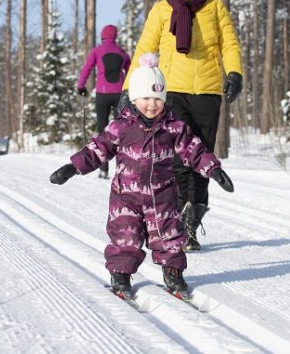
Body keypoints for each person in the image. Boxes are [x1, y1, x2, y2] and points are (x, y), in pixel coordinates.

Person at [49, 54, 234, 297]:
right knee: (125, 237)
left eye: (157, 98)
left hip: (163, 196)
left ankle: (173, 272)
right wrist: (72, 168)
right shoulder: (120, 128)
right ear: (135, 98)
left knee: (170, 236)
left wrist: (214, 169)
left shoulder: (173, 127)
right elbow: (97, 150)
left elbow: (193, 149)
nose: (152, 104)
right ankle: (121, 273)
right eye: (146, 98)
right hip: (126, 197)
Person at [122, 0, 243, 251]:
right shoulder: (162, 10)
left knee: (202, 157)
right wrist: (129, 89)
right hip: (171, 92)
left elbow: (229, 44)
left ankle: (192, 222)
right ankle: (175, 220)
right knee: (177, 159)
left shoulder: (215, 8)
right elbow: (144, 50)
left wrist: (234, 74)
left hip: (207, 92)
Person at [77, 24, 131, 179]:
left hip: (102, 94)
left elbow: (87, 68)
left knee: (102, 131)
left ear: (102, 35)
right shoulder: (122, 52)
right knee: (122, 132)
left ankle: (103, 169)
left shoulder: (96, 51)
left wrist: (81, 86)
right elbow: (130, 72)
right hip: (120, 95)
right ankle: (123, 168)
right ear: (115, 36)